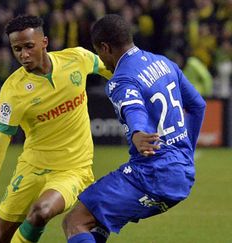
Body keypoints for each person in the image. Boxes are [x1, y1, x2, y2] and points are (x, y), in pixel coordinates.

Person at [0, 15, 112, 242]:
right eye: (17, 49)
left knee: (41, 212)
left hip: (72, 169)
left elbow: (115, 71)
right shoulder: (12, 91)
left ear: (44, 41)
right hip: (30, 169)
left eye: (29, 46)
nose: (23, 55)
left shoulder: (76, 59)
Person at [62, 14, 206, 243]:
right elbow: (198, 105)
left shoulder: (121, 79)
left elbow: (133, 107)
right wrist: (186, 151)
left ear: (105, 47)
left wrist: (138, 131)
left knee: (75, 221)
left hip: (152, 173)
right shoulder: (164, 63)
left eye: (99, 52)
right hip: (182, 172)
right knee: (95, 220)